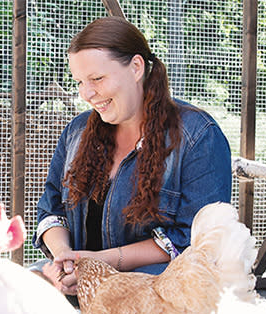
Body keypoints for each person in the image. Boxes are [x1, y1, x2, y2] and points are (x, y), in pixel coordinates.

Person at [33, 16, 232, 299]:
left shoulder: (198, 136)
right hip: (80, 282)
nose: (87, 94)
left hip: (156, 298)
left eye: (97, 79)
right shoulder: (76, 131)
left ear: (136, 67)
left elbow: (199, 240)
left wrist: (98, 265)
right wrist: (63, 258)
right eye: (79, 82)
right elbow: (51, 210)